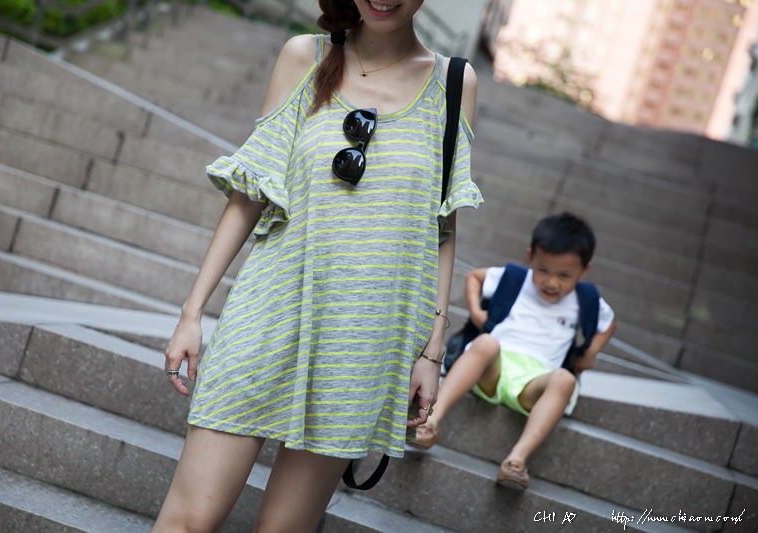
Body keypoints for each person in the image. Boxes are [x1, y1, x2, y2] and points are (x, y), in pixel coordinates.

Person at [152, 1, 483, 530]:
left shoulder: (454, 84)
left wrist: (432, 349)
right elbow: (250, 192)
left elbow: (441, 226)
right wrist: (192, 313)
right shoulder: (303, 57)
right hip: (268, 315)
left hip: (363, 345)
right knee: (188, 519)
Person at [413, 212, 616, 490]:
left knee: (565, 379)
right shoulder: (516, 278)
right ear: (530, 257)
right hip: (492, 370)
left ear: (584, 271)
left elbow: (609, 323)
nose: (551, 282)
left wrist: (591, 352)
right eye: (543, 270)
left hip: (535, 383)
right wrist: (477, 313)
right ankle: (431, 422)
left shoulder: (585, 299)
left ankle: (516, 460)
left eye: (564, 275)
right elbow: (474, 277)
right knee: (486, 343)